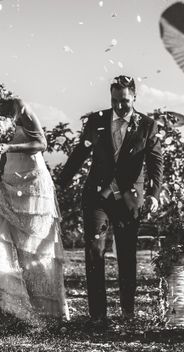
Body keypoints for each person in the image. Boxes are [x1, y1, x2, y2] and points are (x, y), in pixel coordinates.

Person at [57, 75, 163, 329]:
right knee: (94, 251)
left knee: (127, 255)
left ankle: (127, 311)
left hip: (128, 198)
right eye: (115, 100)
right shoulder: (97, 121)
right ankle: (98, 315)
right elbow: (81, 152)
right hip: (98, 197)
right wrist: (60, 182)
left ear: (134, 97)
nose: (119, 106)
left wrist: (154, 194)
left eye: (124, 101)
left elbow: (156, 162)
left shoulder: (147, 126)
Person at [0, 81, 68, 323]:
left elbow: (42, 143)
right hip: (9, 182)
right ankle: (2, 309)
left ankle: (45, 313)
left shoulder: (18, 106)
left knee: (33, 250)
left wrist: (9, 146)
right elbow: (1, 154)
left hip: (32, 182)